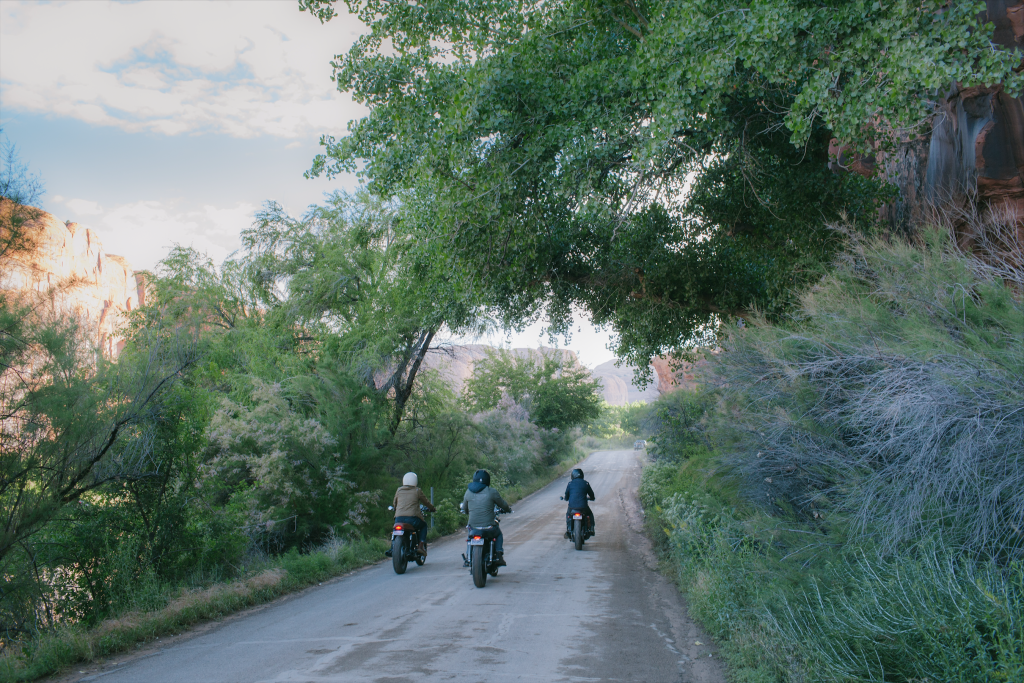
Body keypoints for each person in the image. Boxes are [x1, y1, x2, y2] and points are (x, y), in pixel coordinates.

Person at [461, 469, 512, 566]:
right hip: (489, 527)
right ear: (487, 480)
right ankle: (499, 555)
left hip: (473, 527)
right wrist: (508, 509)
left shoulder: (468, 492)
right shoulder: (492, 492)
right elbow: (503, 504)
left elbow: (465, 509)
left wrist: (468, 511)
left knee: (469, 535)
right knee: (498, 534)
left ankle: (468, 557)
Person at [393, 472, 435, 556]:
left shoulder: (399, 490)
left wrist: (395, 509)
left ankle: (392, 548)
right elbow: (426, 502)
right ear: (415, 481)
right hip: (412, 519)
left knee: (395, 531)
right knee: (423, 525)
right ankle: (420, 546)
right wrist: (432, 508)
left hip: (398, 518)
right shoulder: (417, 491)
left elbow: (395, 503)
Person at [563, 468, 596, 538]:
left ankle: (569, 529)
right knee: (590, 514)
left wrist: (566, 498)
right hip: (583, 506)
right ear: (582, 475)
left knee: (568, 514)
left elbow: (566, 496)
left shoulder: (570, 484)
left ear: (572, 476)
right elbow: (592, 495)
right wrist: (592, 498)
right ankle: (592, 528)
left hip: (572, 506)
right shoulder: (586, 483)